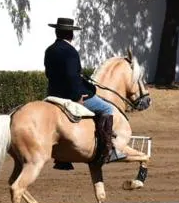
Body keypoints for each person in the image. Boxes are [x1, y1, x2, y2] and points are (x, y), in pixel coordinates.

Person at [43, 17, 124, 167]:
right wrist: (77, 97)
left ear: (56, 32)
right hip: (72, 95)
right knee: (107, 108)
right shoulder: (70, 51)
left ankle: (62, 158)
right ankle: (107, 151)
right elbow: (71, 76)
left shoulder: (50, 50)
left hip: (53, 94)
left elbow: (49, 74)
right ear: (71, 35)